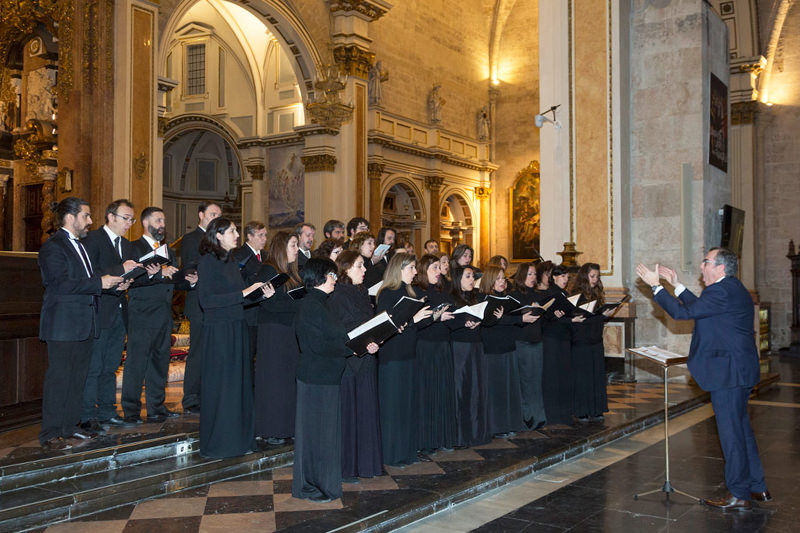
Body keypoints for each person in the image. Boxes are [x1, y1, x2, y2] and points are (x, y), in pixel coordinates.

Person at [636, 248, 769, 510]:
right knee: (742, 430)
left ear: (719, 268)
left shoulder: (722, 290)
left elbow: (684, 313)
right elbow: (700, 308)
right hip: (738, 370)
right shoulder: (730, 288)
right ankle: (757, 486)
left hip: (728, 373)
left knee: (731, 435)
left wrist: (656, 287)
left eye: (705, 262)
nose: (701, 266)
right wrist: (677, 285)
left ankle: (739, 493)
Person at [38, 197, 127, 450]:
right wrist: (101, 282)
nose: (90, 221)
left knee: (78, 377)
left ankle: (69, 427)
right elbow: (61, 284)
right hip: (63, 324)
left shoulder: (81, 246)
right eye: (86, 216)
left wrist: (113, 285)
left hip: (85, 323)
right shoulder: (53, 247)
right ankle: (50, 433)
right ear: (71, 217)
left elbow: (87, 282)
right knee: (59, 379)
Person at [292, 258, 379, 502]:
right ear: (320, 277)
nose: (335, 279)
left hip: (328, 377)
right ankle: (311, 485)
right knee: (315, 436)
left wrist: (358, 345)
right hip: (315, 378)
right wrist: (350, 349)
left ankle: (322, 483)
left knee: (326, 435)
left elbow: (338, 337)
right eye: (331, 275)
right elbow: (317, 344)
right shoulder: (310, 305)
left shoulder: (324, 303)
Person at [197, 218, 272, 458]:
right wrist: (243, 292)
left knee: (238, 385)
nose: (236, 235)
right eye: (231, 231)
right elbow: (207, 301)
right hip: (219, 332)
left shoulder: (229, 260)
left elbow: (237, 298)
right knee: (223, 387)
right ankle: (221, 443)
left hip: (236, 327)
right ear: (217, 235)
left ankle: (240, 440)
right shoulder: (208, 261)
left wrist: (260, 295)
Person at [123, 207, 194, 424]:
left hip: (164, 314)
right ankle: (131, 410)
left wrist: (189, 281)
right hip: (142, 313)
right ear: (145, 223)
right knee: (137, 362)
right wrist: (155, 274)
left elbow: (172, 279)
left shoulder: (168, 252)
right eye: (158, 220)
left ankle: (157, 407)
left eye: (163, 220)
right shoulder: (133, 248)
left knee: (160, 361)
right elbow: (130, 279)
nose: (163, 224)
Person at [79, 199, 142, 431]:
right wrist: (120, 271)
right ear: (111, 216)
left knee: (111, 365)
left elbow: (124, 275)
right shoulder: (92, 239)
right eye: (126, 218)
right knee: (94, 366)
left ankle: (107, 410)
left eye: (131, 219)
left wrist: (127, 281)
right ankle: (87, 415)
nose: (129, 223)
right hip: (97, 310)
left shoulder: (126, 245)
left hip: (118, 310)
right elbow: (89, 273)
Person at [329, 251, 383, 480]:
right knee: (349, 413)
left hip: (367, 358)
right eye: (360, 266)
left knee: (366, 409)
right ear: (345, 269)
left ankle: (367, 464)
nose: (365, 270)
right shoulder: (337, 294)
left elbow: (368, 322)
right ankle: (348, 467)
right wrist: (368, 340)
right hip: (349, 360)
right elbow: (344, 327)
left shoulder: (361, 292)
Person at [376, 253, 432, 466]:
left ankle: (408, 450)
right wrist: (412, 319)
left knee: (408, 405)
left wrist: (429, 316)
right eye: (411, 269)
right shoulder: (387, 294)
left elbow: (415, 326)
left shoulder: (412, 292)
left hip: (409, 355)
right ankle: (392, 453)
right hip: (393, 357)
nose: (415, 272)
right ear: (399, 269)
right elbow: (386, 327)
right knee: (393, 407)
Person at [254, 230, 302, 445]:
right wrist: (295, 303)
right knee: (274, 381)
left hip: (289, 332)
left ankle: (287, 426)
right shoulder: (267, 270)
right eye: (293, 245)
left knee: (288, 381)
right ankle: (272, 428)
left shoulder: (291, 273)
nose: (296, 249)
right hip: (273, 332)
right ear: (282, 247)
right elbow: (268, 303)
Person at [478, 265, 534, 437]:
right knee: (496, 389)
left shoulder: (507, 298)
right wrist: (517, 318)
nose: (503, 282)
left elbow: (510, 319)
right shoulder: (484, 298)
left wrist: (522, 316)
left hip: (508, 346)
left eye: (504, 278)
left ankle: (510, 423)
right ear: (490, 280)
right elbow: (489, 321)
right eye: (499, 279)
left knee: (509, 388)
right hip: (493, 349)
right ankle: (496, 426)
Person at [178, 201, 222, 414]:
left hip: (216, 303)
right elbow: (190, 265)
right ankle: (191, 398)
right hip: (198, 303)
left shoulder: (219, 241)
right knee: (197, 353)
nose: (216, 218)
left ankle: (208, 394)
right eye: (212, 214)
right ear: (201, 215)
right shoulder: (191, 239)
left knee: (213, 352)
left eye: (219, 215)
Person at [413, 254, 457, 452]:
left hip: (443, 346)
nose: (439, 272)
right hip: (426, 347)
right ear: (423, 271)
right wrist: (437, 318)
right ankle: (426, 440)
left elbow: (453, 313)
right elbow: (417, 323)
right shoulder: (417, 293)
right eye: (434, 268)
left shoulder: (443, 290)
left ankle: (442, 437)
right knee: (428, 394)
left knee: (443, 392)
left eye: (439, 268)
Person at [449, 265, 490, 447]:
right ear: (458, 279)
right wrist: (463, 322)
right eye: (467, 276)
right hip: (459, 347)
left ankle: (476, 432)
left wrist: (478, 321)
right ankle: (460, 435)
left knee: (476, 389)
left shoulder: (477, 297)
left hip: (476, 346)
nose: (472, 280)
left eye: (473, 276)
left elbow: (486, 318)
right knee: (461, 389)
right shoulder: (451, 298)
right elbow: (448, 322)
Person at [538, 264, 584, 425]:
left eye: (567, 277)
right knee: (553, 377)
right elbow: (544, 319)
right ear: (554, 277)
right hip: (551, 339)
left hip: (564, 338)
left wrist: (573, 317)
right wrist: (561, 317)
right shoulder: (549, 294)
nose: (565, 280)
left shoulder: (565, 294)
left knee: (564, 375)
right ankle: (552, 413)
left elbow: (565, 315)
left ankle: (565, 412)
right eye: (563, 276)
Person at [569, 263, 610, 423]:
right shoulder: (575, 295)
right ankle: (582, 410)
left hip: (595, 339)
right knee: (583, 376)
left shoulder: (597, 293)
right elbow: (579, 318)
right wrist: (601, 316)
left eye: (597, 277)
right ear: (584, 276)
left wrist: (604, 314)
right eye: (592, 276)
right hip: (581, 340)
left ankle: (596, 409)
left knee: (596, 375)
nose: (595, 280)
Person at [508, 262, 547, 430]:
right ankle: (526, 418)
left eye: (534, 275)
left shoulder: (537, 294)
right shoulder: (514, 295)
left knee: (536, 382)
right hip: (521, 341)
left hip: (536, 340)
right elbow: (512, 320)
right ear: (522, 275)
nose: (533, 278)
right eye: (530, 274)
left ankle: (538, 417)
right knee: (524, 381)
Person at [232, 220, 267, 363]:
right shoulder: (239, 255)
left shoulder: (266, 256)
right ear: (249, 236)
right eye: (260, 235)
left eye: (265, 235)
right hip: (248, 312)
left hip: (263, 312)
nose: (264, 239)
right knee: (247, 355)